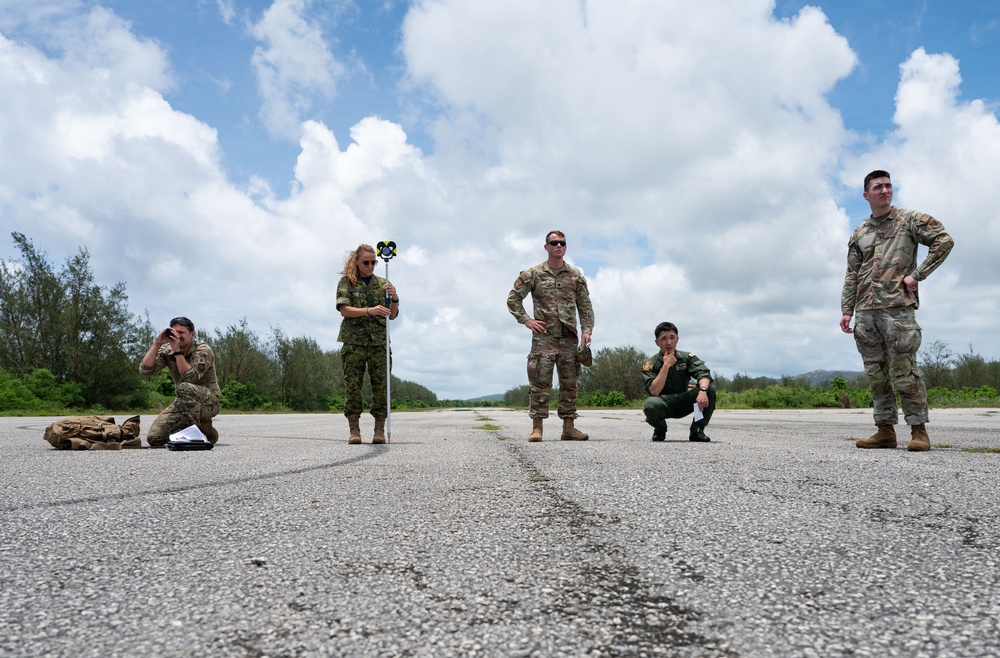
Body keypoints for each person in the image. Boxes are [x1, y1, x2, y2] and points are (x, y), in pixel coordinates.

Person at [840, 169, 954, 452]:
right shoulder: (860, 232)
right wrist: (847, 309)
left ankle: (919, 431)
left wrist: (918, 275)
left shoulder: (910, 220)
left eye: (888, 185)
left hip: (898, 310)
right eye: (878, 186)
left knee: (904, 372)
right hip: (866, 312)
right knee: (876, 374)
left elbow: (944, 241)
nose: (885, 190)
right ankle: (885, 431)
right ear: (866, 195)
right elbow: (852, 273)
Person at [507, 230, 594, 442]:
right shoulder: (533, 274)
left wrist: (587, 330)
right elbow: (513, 299)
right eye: (554, 243)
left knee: (569, 384)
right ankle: (537, 429)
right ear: (546, 247)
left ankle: (569, 428)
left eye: (562, 243)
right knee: (540, 383)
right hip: (543, 338)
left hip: (569, 339)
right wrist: (527, 320)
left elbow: (585, 306)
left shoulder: (575, 276)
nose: (558, 246)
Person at [336, 244, 398, 444]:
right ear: (357, 261)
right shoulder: (347, 282)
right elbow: (344, 310)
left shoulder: (383, 284)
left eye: (374, 262)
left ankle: (379, 430)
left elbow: (393, 315)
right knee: (353, 387)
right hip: (354, 342)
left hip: (378, 343)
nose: (370, 266)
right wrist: (369, 311)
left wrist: (394, 298)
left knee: (381, 388)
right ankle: (354, 430)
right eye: (366, 262)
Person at [140, 316, 221, 446]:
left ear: (192, 334)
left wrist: (178, 352)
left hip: (208, 402)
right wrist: (157, 343)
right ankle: (205, 429)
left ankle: (194, 434)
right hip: (184, 400)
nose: (178, 336)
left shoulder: (203, 350)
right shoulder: (168, 351)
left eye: (181, 332)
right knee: (155, 438)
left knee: (184, 387)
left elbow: (191, 378)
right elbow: (146, 370)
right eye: (174, 332)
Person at [640, 322, 715, 442]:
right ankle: (660, 429)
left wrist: (703, 390)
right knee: (650, 404)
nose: (669, 343)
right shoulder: (650, 364)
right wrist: (666, 365)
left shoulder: (687, 357)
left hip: (685, 401)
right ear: (657, 342)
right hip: (664, 404)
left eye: (672, 337)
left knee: (709, 388)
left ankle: (697, 431)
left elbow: (704, 373)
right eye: (664, 339)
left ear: (677, 339)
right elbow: (654, 391)